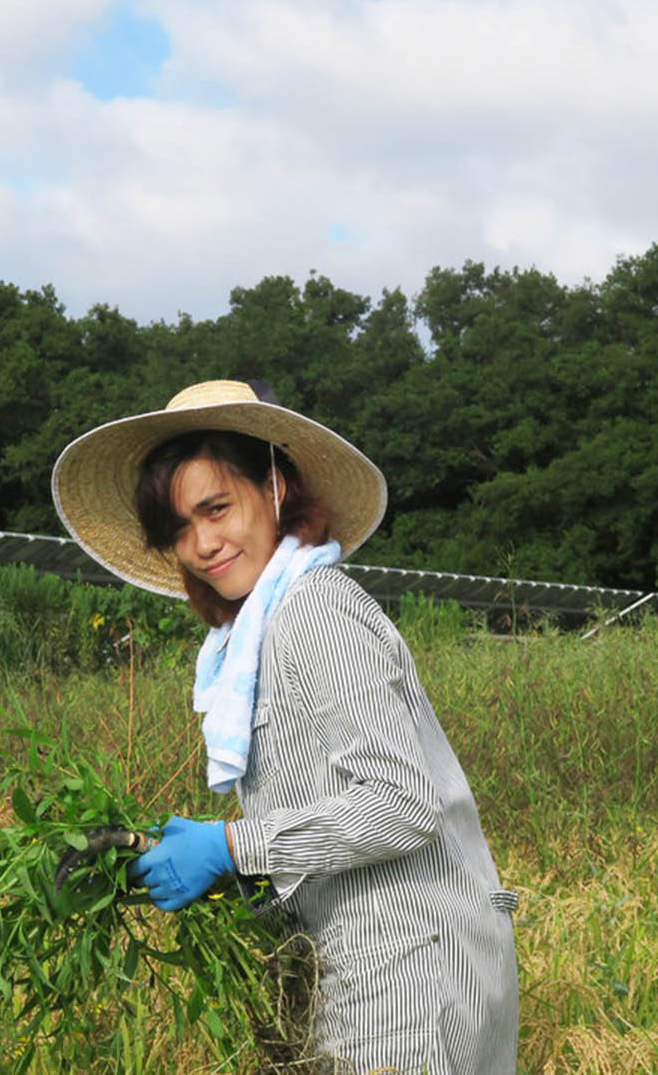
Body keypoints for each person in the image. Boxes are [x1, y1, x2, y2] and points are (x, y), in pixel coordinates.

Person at [52, 379, 519, 1073]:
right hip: (362, 975)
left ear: (273, 487)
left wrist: (232, 843)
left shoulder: (313, 611)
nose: (203, 543)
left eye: (216, 507)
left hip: (410, 979)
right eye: (180, 527)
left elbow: (401, 805)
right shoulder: (256, 637)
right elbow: (319, 815)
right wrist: (164, 856)